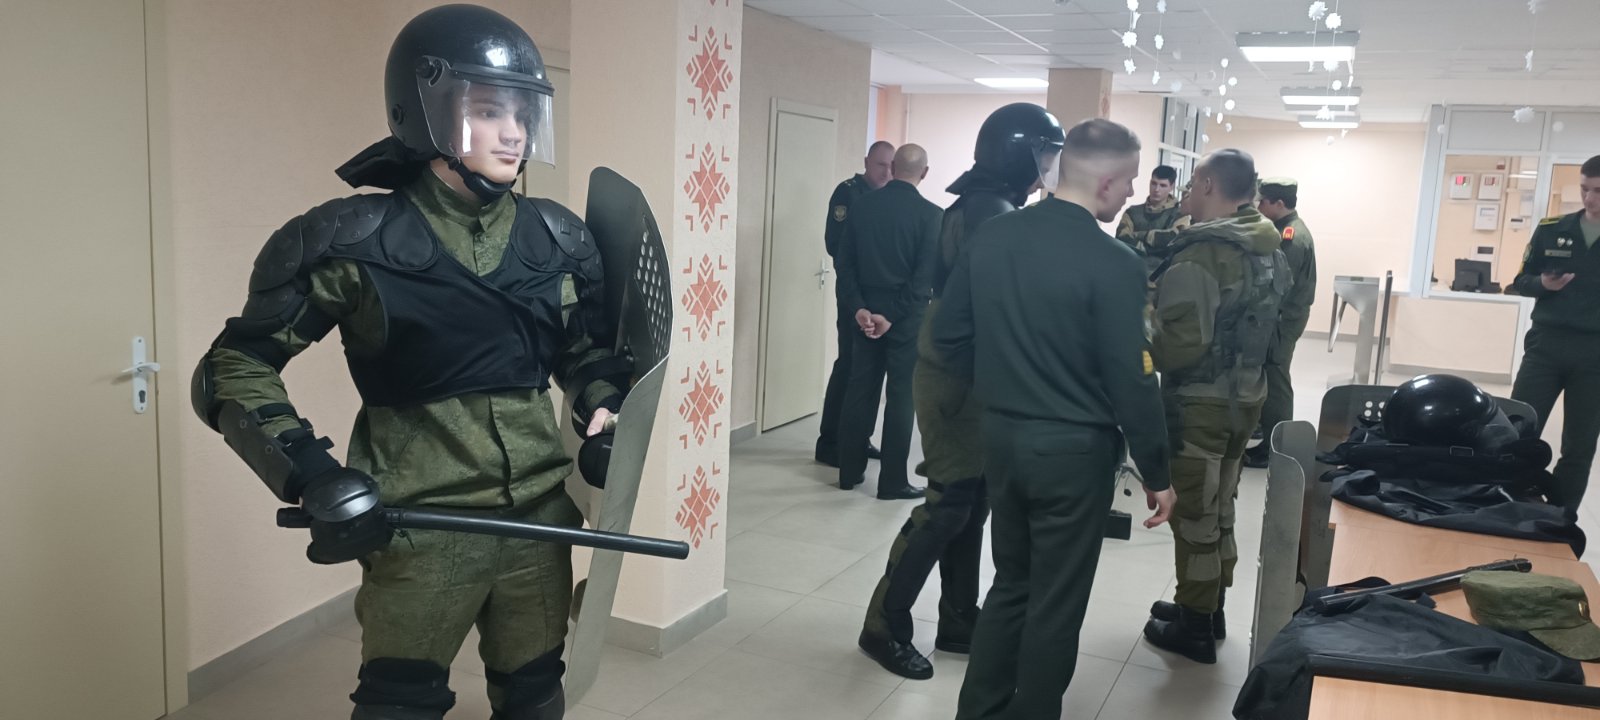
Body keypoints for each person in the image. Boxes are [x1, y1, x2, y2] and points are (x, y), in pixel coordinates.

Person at [188, 6, 629, 718]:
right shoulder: (352, 241)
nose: (513, 132)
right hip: (423, 530)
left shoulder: (558, 240)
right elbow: (233, 366)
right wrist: (310, 473)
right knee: (401, 704)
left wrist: (603, 408)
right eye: (488, 110)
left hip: (540, 524)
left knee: (535, 693)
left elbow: (584, 354)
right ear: (426, 113)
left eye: (522, 113)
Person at [933, 118, 1176, 720]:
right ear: (1107, 181)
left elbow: (948, 336)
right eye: (1130, 182)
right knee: (1056, 604)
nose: (1132, 193)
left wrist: (1003, 383)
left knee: (1011, 584)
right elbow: (1133, 379)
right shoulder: (1116, 263)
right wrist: (1157, 472)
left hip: (1002, 438)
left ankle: (979, 711)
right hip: (1073, 453)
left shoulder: (992, 236)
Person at [857, 104, 1064, 680]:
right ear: (1019, 155)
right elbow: (1003, 309)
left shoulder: (985, 205)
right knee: (948, 505)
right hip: (959, 378)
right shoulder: (992, 213)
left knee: (971, 503)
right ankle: (883, 624)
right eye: (1045, 155)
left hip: (968, 374)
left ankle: (956, 618)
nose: (1049, 167)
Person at [1143, 149, 1290, 665]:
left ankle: (1195, 627)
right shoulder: (1267, 246)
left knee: (1195, 514)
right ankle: (1207, 606)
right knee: (1221, 504)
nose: (1185, 193)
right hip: (1244, 397)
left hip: (1200, 403)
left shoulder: (1203, 254)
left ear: (1208, 184)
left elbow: (1179, 346)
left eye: (1190, 184)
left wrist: (1140, 326)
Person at [835, 144, 940, 500]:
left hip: (864, 314)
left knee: (860, 389)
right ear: (924, 173)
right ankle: (892, 482)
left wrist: (859, 308)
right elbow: (922, 280)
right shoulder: (931, 216)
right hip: (905, 319)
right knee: (900, 397)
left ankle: (848, 472)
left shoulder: (862, 206)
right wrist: (891, 316)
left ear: (893, 167)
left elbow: (844, 264)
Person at [1510, 154, 1600, 519]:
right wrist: (1543, 285)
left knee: (1579, 446)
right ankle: (1505, 502)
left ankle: (1560, 518)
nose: (1589, 198)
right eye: (1584, 189)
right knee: (1517, 430)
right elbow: (1520, 281)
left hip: (1594, 354)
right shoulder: (1551, 229)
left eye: (1598, 191)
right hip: (1545, 346)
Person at [816, 141, 895, 467]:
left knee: (871, 371)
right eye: (880, 165)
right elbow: (836, 245)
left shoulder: (889, 198)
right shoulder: (848, 193)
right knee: (849, 364)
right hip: (853, 293)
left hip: (879, 297)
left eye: (891, 166)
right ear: (866, 162)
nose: (886, 172)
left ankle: (859, 438)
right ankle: (830, 442)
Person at [1244, 177, 1318, 468]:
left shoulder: (1291, 237)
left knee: (1276, 380)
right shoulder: (1285, 229)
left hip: (1282, 319)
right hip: (1279, 317)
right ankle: (1268, 432)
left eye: (1262, 201)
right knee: (1271, 375)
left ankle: (1277, 448)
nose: (1259, 206)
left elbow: (1278, 284)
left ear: (1278, 203)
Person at [1116, 164, 1189, 276]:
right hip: (1132, 274)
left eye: (1163, 185)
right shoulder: (1132, 212)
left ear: (1172, 187)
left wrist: (1139, 235)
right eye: (1154, 183)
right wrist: (1155, 248)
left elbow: (1173, 239)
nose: (1157, 189)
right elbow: (1122, 239)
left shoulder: (1180, 214)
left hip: (1163, 278)